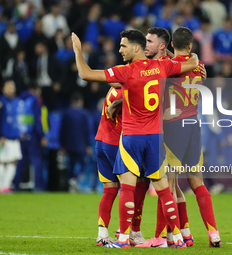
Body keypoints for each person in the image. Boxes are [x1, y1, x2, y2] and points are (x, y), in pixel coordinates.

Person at [72, 29, 199, 249]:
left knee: (127, 188)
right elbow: (193, 61)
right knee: (164, 190)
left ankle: (123, 240)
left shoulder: (126, 71)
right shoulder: (163, 67)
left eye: (123, 46)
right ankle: (177, 239)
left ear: (136, 48)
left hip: (132, 137)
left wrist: (77, 50)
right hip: (155, 138)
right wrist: (180, 56)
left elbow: (85, 74)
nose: (120, 50)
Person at [161, 27, 221, 248]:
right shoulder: (199, 66)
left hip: (174, 127)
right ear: (190, 46)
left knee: (168, 183)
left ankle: (176, 235)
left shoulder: (170, 67)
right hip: (194, 126)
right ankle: (212, 233)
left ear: (171, 45)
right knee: (197, 183)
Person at [94, 87, 122, 246]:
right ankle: (124, 230)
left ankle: (102, 234)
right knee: (131, 187)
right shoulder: (127, 89)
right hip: (115, 143)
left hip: (101, 140)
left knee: (110, 191)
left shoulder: (114, 87)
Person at [13, 82, 48, 192]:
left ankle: (15, 184)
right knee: (36, 161)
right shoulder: (34, 101)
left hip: (21, 136)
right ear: (34, 90)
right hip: (33, 135)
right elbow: (37, 121)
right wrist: (42, 136)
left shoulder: (18, 100)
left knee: (21, 161)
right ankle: (38, 186)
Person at [0, 80, 22, 193]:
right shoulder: (1, 102)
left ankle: (6, 185)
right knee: (2, 161)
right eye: (9, 87)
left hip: (15, 137)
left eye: (13, 87)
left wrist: (20, 131)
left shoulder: (16, 102)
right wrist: (0, 136)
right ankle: (0, 187)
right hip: (4, 137)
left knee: (13, 161)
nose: (11, 89)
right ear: (3, 89)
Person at [59, 92, 92, 192]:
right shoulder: (84, 114)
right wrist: (88, 145)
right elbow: (86, 131)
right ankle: (75, 180)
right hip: (81, 145)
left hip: (69, 145)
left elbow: (62, 130)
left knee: (71, 165)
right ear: (80, 101)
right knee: (83, 163)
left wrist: (63, 145)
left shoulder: (66, 113)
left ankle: (71, 184)